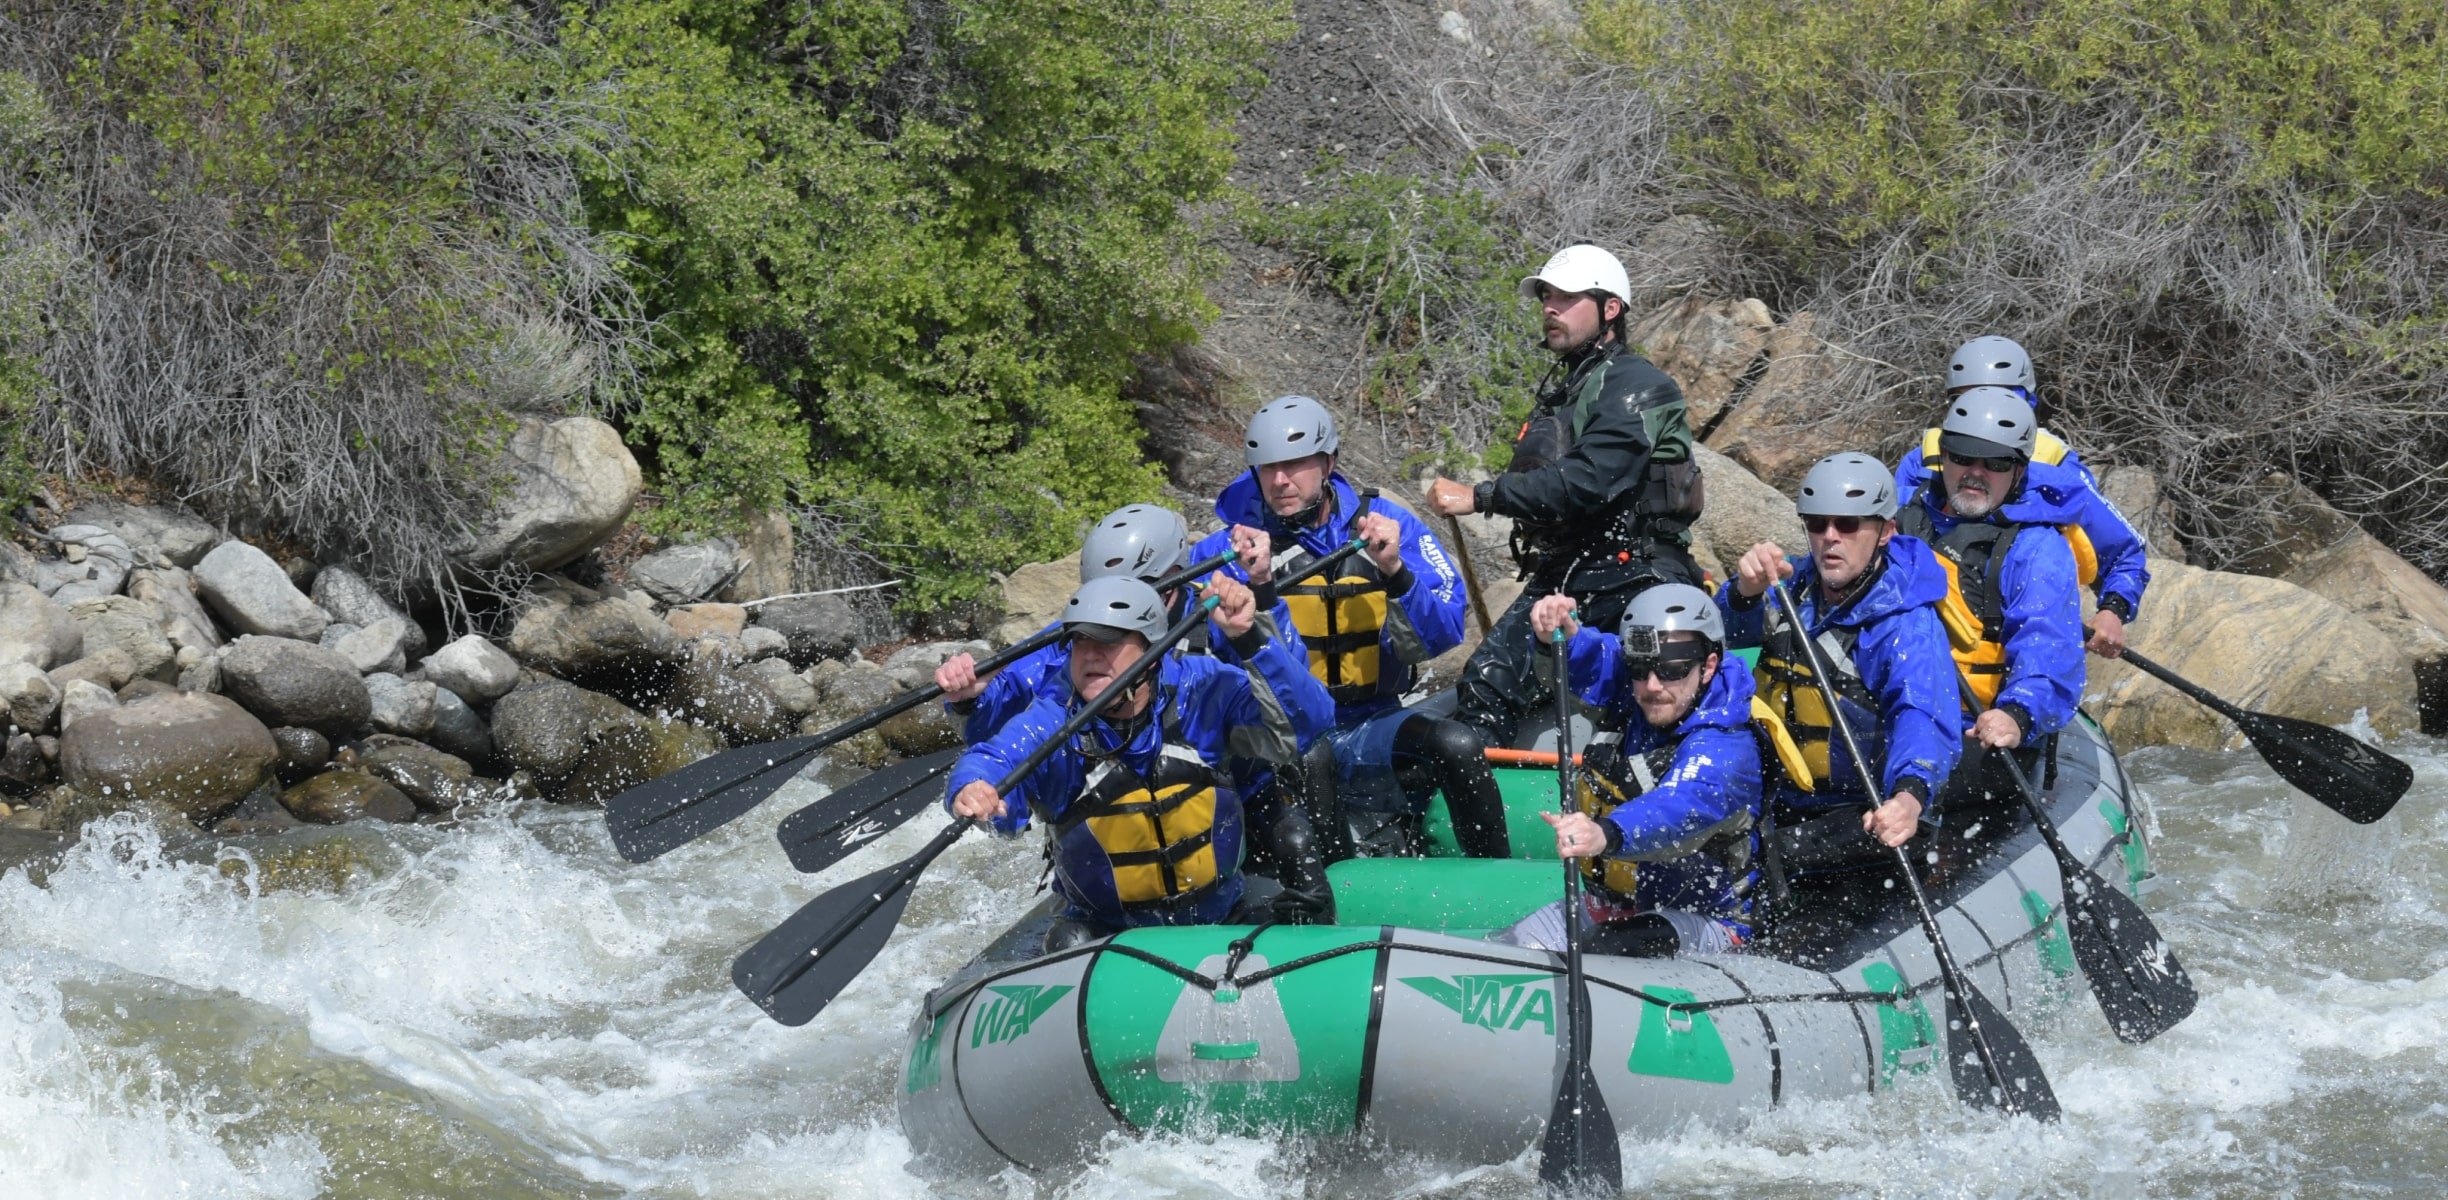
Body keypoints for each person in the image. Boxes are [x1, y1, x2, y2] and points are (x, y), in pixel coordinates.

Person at [1191, 395, 1510, 858]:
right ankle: (1338, 898)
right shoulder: (1224, 552)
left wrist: (1396, 572)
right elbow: (1214, 670)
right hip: (1280, 740)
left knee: (1457, 742)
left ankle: (1497, 883)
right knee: (1311, 757)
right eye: (1267, 468)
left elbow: (1442, 634)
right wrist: (1257, 585)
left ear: (1328, 462)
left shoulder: (1385, 523)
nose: (1280, 481)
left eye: (1295, 464)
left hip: (1371, 720)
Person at [948, 577, 1339, 949]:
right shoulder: (1053, 722)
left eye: (1109, 641)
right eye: (1080, 642)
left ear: (1152, 652)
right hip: (1108, 937)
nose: (1091, 655)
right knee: (1068, 942)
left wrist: (1248, 637)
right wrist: (974, 786)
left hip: (1223, 915)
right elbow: (992, 759)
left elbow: (1309, 721)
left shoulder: (1201, 689)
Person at [1423, 243, 1706, 745]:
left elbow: (1590, 478)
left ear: (1609, 308)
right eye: (1547, 296)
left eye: (1566, 297)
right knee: (1485, 686)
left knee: (1625, 686)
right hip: (1569, 573)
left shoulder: (1639, 384)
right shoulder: (1569, 388)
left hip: (1635, 573)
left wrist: (1481, 496)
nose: (1550, 307)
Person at [1495, 584, 1765, 956]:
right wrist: (1560, 634)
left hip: (1710, 922)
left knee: (1610, 947)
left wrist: (1606, 831)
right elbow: (1597, 660)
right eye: (1641, 668)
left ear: (1709, 666)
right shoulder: (1641, 694)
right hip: (1617, 906)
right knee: (1506, 951)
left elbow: (1677, 806)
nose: (1653, 686)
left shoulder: (1727, 748)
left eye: (1671, 670)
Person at [1722, 453, 1960, 865]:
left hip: (1856, 812)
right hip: (1773, 797)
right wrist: (1741, 594)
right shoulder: (1787, 587)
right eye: (1817, 523)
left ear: (1885, 531)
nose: (1830, 537)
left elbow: (1921, 715)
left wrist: (1909, 794)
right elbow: (1713, 655)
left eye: (1848, 524)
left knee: (1753, 862)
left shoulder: (1905, 626)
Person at [1893, 335, 2148, 658]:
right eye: (1964, 399)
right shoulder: (1924, 461)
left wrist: (2113, 609)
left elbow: (2125, 554)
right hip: (1931, 630)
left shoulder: (2059, 473)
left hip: (2020, 625)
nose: (1980, 412)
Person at [1891, 387, 2087, 754]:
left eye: (1996, 463)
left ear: (2019, 471)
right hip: (1886, 714)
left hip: (1969, 727)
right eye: (1964, 457)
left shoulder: (2036, 549)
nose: (1976, 474)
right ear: (1944, 456)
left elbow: (2047, 644)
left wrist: (2018, 713)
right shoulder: (1892, 513)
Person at [934, 503, 1210, 745]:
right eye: (1105, 592)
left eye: (1132, 590)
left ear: (1174, 575)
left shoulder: (1218, 619)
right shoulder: (1080, 632)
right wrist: (969, 702)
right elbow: (987, 726)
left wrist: (1242, 637)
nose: (1116, 608)